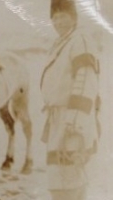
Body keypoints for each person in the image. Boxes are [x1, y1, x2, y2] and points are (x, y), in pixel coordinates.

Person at [40, 0, 100, 200]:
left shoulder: (80, 40)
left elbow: (85, 83)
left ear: (74, 17)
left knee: (66, 179)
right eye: (55, 18)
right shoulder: (64, 41)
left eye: (63, 16)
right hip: (59, 118)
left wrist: (73, 125)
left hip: (71, 120)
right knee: (64, 178)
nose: (58, 22)